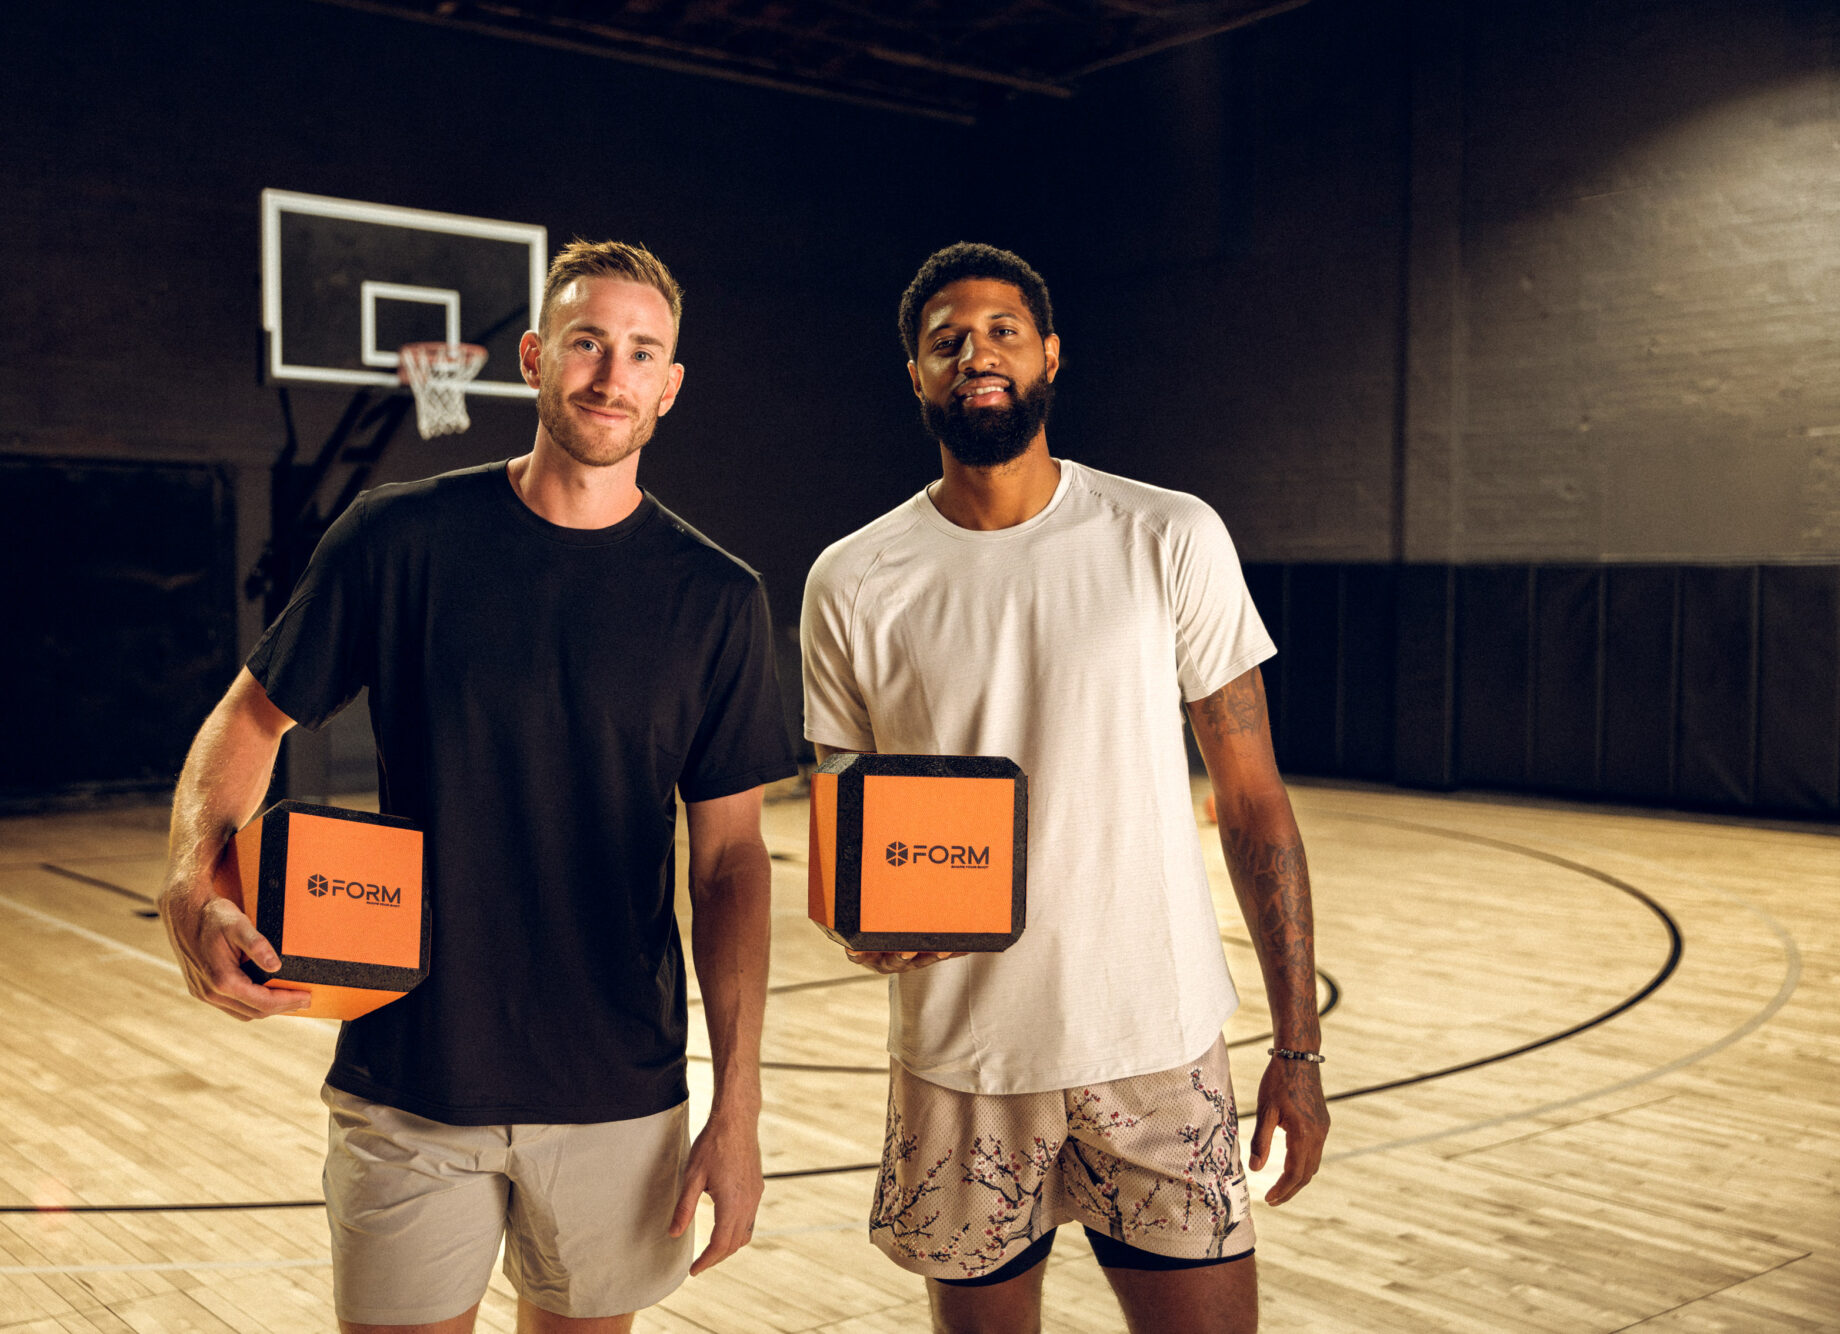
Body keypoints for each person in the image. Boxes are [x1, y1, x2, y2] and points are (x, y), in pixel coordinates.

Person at [157, 241, 799, 1334]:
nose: (611, 373)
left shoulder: (717, 598)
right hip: (407, 1074)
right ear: (536, 357)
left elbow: (731, 858)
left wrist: (735, 1103)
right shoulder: (399, 538)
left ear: (669, 387)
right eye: (588, 342)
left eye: (642, 352)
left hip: (617, 1090)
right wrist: (189, 879)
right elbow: (249, 715)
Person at [800, 243, 1327, 1334]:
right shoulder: (851, 577)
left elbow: (1253, 799)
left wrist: (1297, 1045)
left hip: (1154, 1039)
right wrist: (860, 920)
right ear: (914, 373)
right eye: (944, 337)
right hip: (962, 1059)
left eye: (1000, 329)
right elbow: (842, 819)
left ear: (1048, 353)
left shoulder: (1166, 533)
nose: (972, 351)